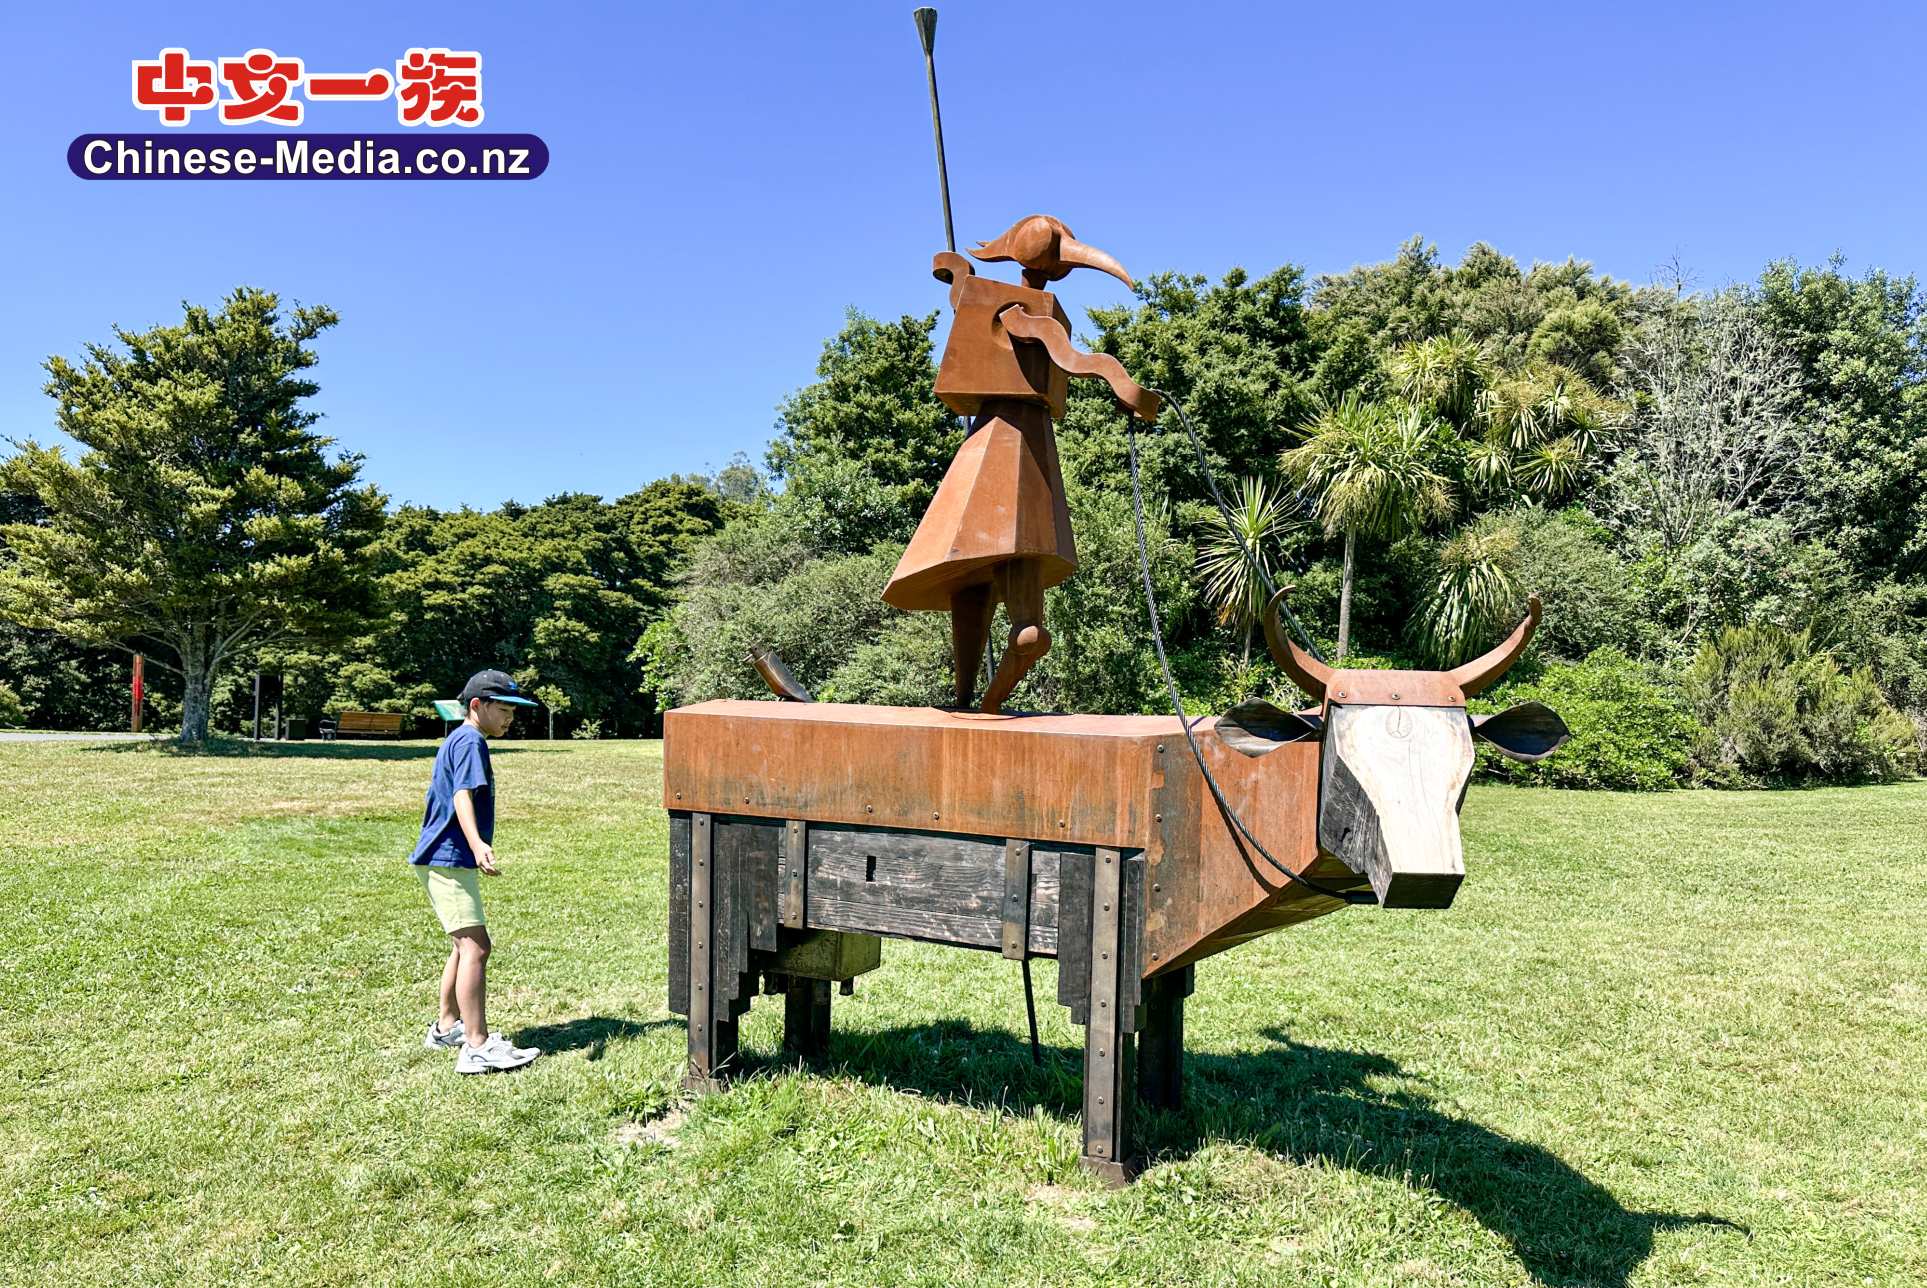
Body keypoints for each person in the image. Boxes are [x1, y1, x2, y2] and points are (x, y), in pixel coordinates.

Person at [411, 669, 543, 1074]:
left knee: (462, 945)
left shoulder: (462, 738)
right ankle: (477, 1046)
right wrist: (477, 843)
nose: (509, 718)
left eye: (513, 711)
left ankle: (447, 1026)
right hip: (448, 858)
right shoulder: (470, 740)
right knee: (476, 948)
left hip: (445, 858)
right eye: (503, 709)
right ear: (477, 706)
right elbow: (461, 795)